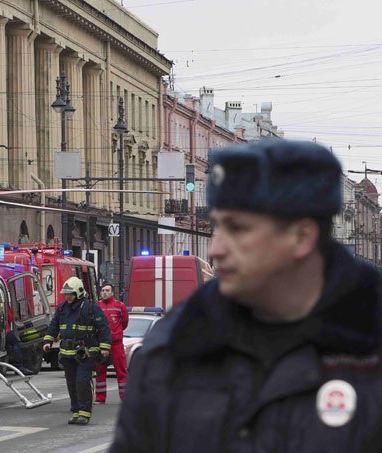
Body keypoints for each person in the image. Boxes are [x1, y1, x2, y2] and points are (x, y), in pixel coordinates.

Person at [111, 139, 382, 452]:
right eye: (216, 227)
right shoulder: (178, 343)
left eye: (237, 229)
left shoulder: (369, 341)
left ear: (301, 236)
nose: (215, 249)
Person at [43, 276, 112, 425]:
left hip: (86, 352)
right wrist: (48, 340)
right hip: (67, 353)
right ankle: (75, 411)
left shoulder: (90, 307)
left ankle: (85, 413)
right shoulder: (62, 308)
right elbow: (54, 325)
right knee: (72, 383)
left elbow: (103, 328)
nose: (67, 296)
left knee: (82, 381)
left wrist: (105, 347)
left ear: (79, 293)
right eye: (66, 294)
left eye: (70, 293)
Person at [95, 282, 129, 403]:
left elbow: (124, 323)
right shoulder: (97, 306)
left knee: (121, 372)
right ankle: (100, 398)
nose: (104, 292)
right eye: (103, 290)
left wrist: (116, 334)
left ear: (112, 292)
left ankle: (125, 399)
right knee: (100, 372)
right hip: (101, 344)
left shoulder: (120, 306)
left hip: (116, 344)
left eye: (107, 290)